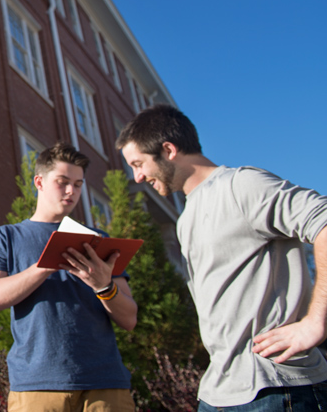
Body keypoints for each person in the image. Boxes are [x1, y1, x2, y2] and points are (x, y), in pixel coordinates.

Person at [116, 104, 327, 411]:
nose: (136, 177)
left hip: (274, 388)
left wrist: (315, 322)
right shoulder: (185, 220)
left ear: (168, 149)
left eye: (138, 164)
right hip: (219, 393)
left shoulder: (240, 186)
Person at [0, 142, 138, 412]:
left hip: (105, 383)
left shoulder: (98, 240)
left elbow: (130, 318)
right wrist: (46, 265)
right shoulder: (8, 236)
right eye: (62, 182)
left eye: (78, 184)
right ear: (39, 181)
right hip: (37, 385)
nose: (71, 191)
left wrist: (104, 286)